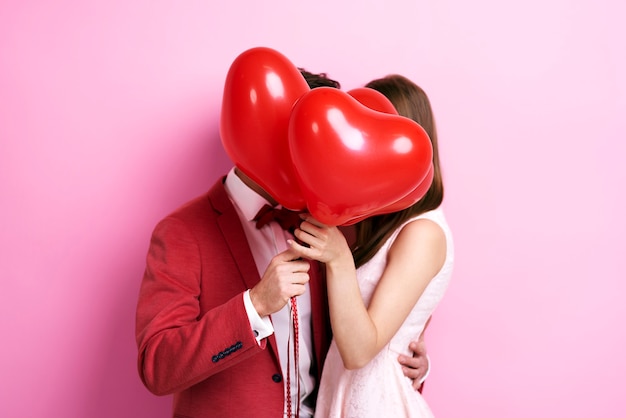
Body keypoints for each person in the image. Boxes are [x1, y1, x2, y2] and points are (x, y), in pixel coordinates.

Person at [135, 70, 430, 418]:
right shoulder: (182, 232)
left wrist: (407, 361)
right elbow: (158, 366)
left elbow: (356, 336)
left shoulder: (328, 225)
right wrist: (255, 304)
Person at [288, 74, 454, 418]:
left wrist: (338, 258)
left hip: (376, 403)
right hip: (343, 396)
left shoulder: (424, 232)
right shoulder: (378, 221)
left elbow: (361, 351)